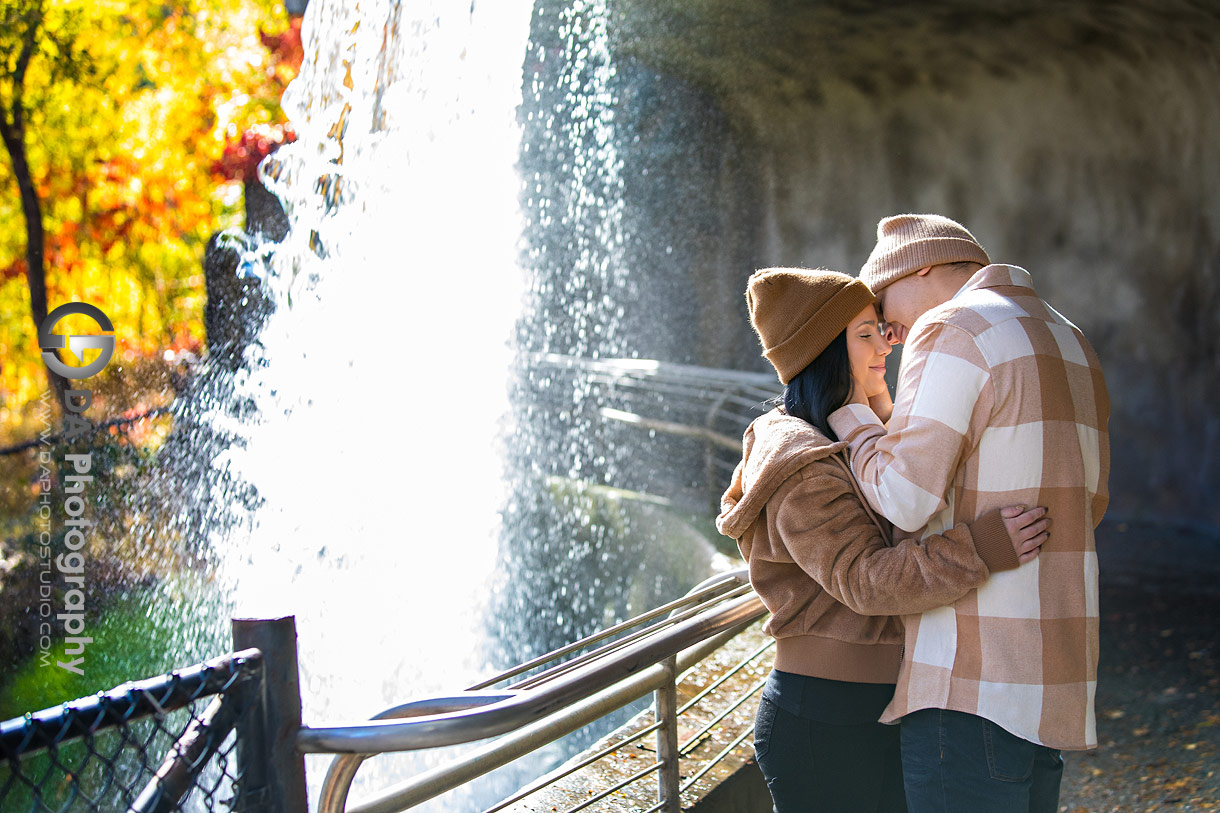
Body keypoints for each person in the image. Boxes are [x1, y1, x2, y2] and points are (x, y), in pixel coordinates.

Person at [716, 267, 1051, 813]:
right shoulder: (801, 463)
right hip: (824, 717)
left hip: (873, 707)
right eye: (864, 335)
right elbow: (866, 580)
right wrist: (982, 547)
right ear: (822, 351)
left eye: (882, 330)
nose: (885, 348)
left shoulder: (860, 440)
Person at [827, 215, 1110, 813]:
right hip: (1054, 680)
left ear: (921, 266)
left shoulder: (953, 326)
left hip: (969, 684)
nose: (889, 332)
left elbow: (903, 496)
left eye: (881, 305)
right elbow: (1094, 504)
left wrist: (854, 419)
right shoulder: (1070, 338)